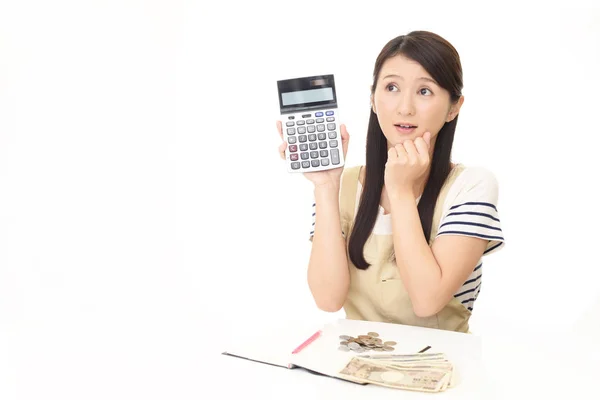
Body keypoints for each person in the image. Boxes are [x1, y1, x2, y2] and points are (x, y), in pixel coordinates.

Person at [276, 30, 505, 333]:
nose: (405, 107)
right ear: (373, 99)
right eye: (392, 87)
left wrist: (400, 191)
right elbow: (328, 299)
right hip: (354, 365)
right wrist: (326, 187)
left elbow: (426, 301)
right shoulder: (343, 184)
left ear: (454, 107)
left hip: (439, 367)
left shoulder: (472, 186)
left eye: (425, 91)